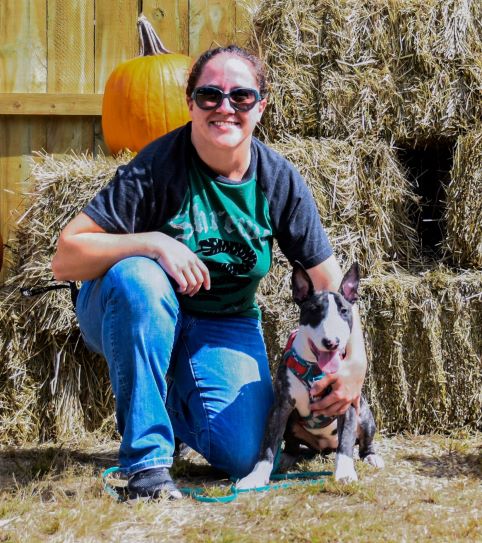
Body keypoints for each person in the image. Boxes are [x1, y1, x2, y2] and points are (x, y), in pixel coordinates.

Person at [51, 45, 367, 500]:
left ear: (261, 105)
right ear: (190, 102)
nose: (224, 108)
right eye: (209, 96)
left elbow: (330, 286)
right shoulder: (158, 166)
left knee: (244, 455)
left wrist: (355, 365)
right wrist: (153, 243)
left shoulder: (277, 180)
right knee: (140, 276)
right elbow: (66, 256)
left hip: (224, 321)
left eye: (240, 97)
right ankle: (148, 466)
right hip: (134, 307)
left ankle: (172, 402)